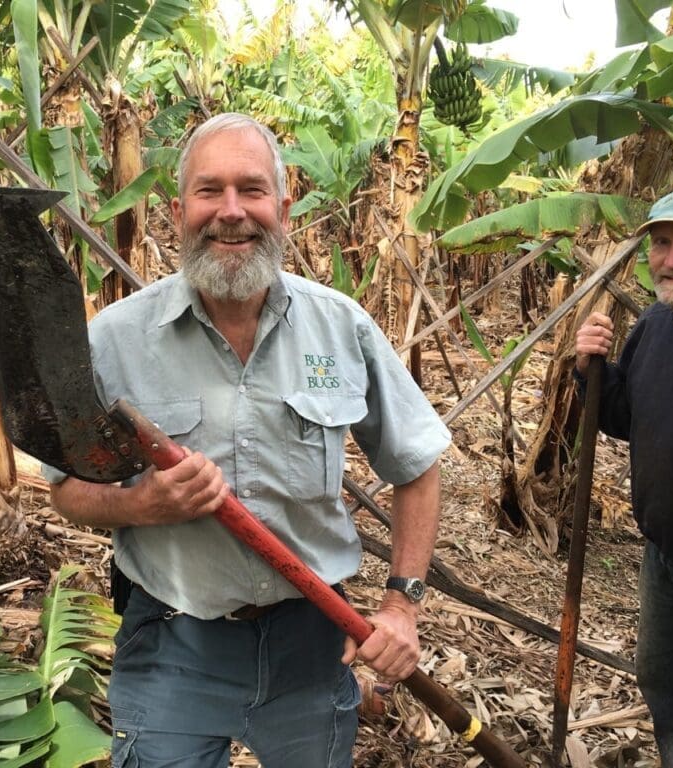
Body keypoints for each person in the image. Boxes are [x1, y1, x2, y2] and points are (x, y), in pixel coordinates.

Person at [43, 112, 451, 768]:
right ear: (177, 210)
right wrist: (140, 505)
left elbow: (417, 461)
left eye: (252, 190)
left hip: (313, 641)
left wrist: (402, 603)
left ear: (283, 208)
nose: (231, 212)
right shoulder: (114, 340)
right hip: (172, 643)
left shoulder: (340, 328)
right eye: (209, 191)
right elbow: (67, 489)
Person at [575, 184, 673, 768]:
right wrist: (592, 369)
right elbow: (626, 418)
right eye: (661, 243)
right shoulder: (655, 325)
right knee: (667, 683)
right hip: (664, 559)